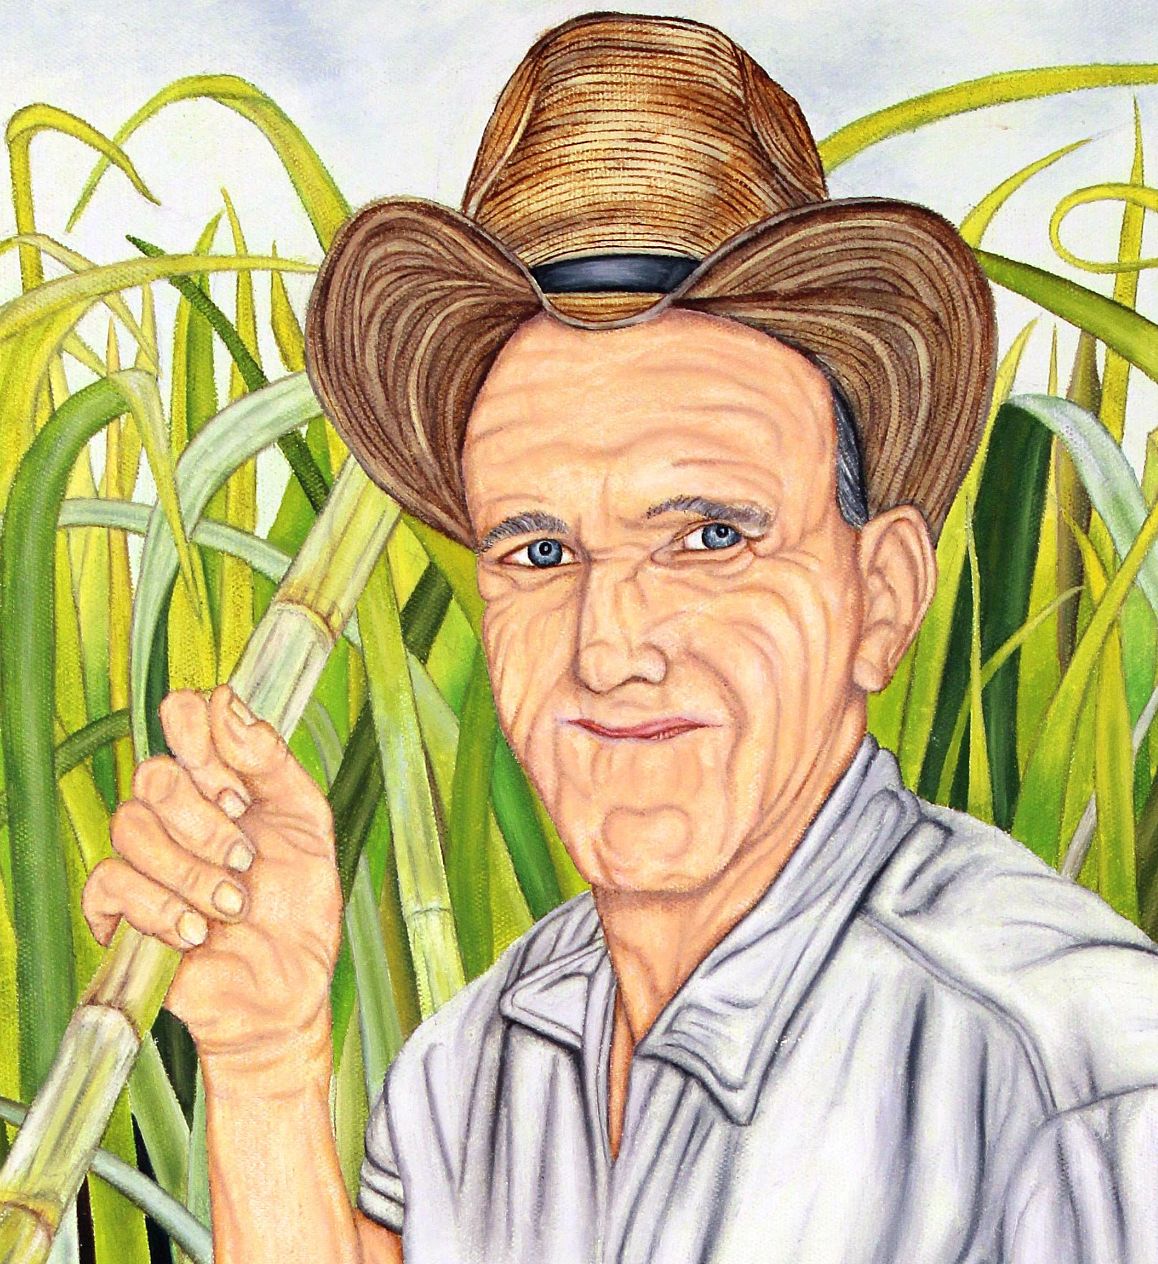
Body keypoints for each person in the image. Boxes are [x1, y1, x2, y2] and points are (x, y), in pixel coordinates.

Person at [81, 12, 1158, 1264]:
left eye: (708, 536)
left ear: (881, 596)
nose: (608, 649)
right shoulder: (469, 1074)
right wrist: (265, 1058)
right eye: (540, 552)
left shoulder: (1068, 1086)